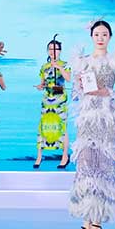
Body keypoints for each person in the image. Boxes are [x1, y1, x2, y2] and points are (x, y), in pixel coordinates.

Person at [69, 20, 115, 229]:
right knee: (86, 165)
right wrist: (78, 84)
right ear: (91, 36)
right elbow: (75, 94)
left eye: (104, 34)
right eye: (97, 34)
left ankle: (97, 224)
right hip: (86, 119)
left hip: (106, 119)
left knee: (103, 167)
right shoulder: (83, 61)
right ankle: (87, 213)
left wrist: (109, 92)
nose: (100, 38)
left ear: (110, 36)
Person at [34, 37, 71, 169]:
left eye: (55, 49)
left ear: (60, 51)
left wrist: (59, 67)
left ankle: (64, 156)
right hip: (47, 99)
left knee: (62, 127)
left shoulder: (65, 64)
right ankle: (39, 156)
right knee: (43, 126)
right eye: (50, 49)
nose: (52, 51)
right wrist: (40, 86)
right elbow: (43, 83)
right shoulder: (44, 67)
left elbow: (68, 78)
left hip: (60, 99)